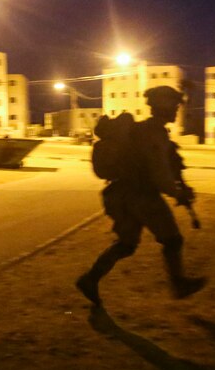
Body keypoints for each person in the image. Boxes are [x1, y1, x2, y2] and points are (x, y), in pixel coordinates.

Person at [75, 85, 207, 306]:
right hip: (143, 197)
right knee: (173, 240)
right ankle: (178, 284)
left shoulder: (146, 130)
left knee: (126, 245)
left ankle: (90, 279)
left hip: (123, 195)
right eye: (174, 106)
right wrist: (177, 193)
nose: (176, 111)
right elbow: (159, 172)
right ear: (163, 107)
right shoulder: (153, 133)